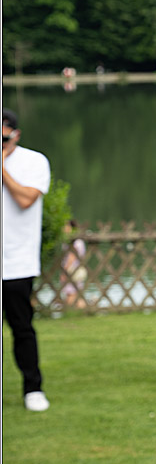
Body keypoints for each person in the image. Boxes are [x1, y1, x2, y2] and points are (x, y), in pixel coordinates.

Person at [2, 108, 52, 412]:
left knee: (22, 327)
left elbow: (25, 199)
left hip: (16, 260)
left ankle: (33, 388)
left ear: (15, 134)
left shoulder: (34, 161)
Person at [59, 219, 88, 308]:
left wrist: (64, 272)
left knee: (71, 294)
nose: (64, 228)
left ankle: (69, 312)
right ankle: (82, 312)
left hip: (72, 270)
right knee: (76, 294)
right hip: (77, 270)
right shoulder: (78, 241)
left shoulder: (73, 241)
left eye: (66, 226)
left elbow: (71, 257)